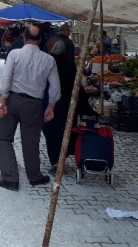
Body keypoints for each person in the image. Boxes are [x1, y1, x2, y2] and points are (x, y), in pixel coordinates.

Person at [0, 25, 60, 191]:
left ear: (24, 39)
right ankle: (35, 176)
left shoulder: (14, 54)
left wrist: (2, 100)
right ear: (40, 41)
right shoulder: (49, 60)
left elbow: (6, 78)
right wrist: (51, 106)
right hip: (34, 105)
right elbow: (55, 87)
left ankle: (10, 178)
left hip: (12, 100)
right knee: (31, 141)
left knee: (4, 139)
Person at [42, 23, 92, 173]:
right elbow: (76, 86)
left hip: (49, 101)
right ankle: (61, 158)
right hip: (65, 102)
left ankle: (55, 160)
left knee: (51, 130)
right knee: (65, 130)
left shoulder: (47, 62)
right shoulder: (69, 65)